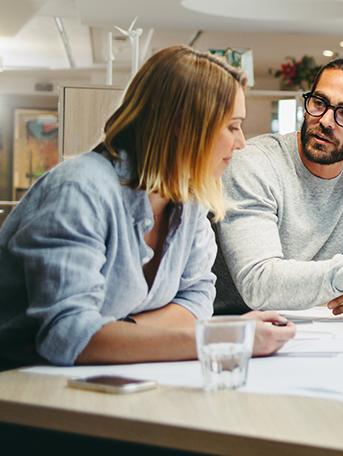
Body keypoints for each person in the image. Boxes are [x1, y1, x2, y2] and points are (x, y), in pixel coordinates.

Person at [0, 45, 295, 368]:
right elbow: (68, 336)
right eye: (232, 126)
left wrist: (118, 335)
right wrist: (225, 337)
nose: (240, 143)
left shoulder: (189, 200)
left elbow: (197, 300)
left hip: (102, 377)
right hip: (20, 387)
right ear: (184, 125)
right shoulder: (80, 189)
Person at [213, 57, 343, 330]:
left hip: (309, 326)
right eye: (319, 103)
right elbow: (258, 284)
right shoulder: (254, 162)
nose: (324, 120)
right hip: (231, 325)